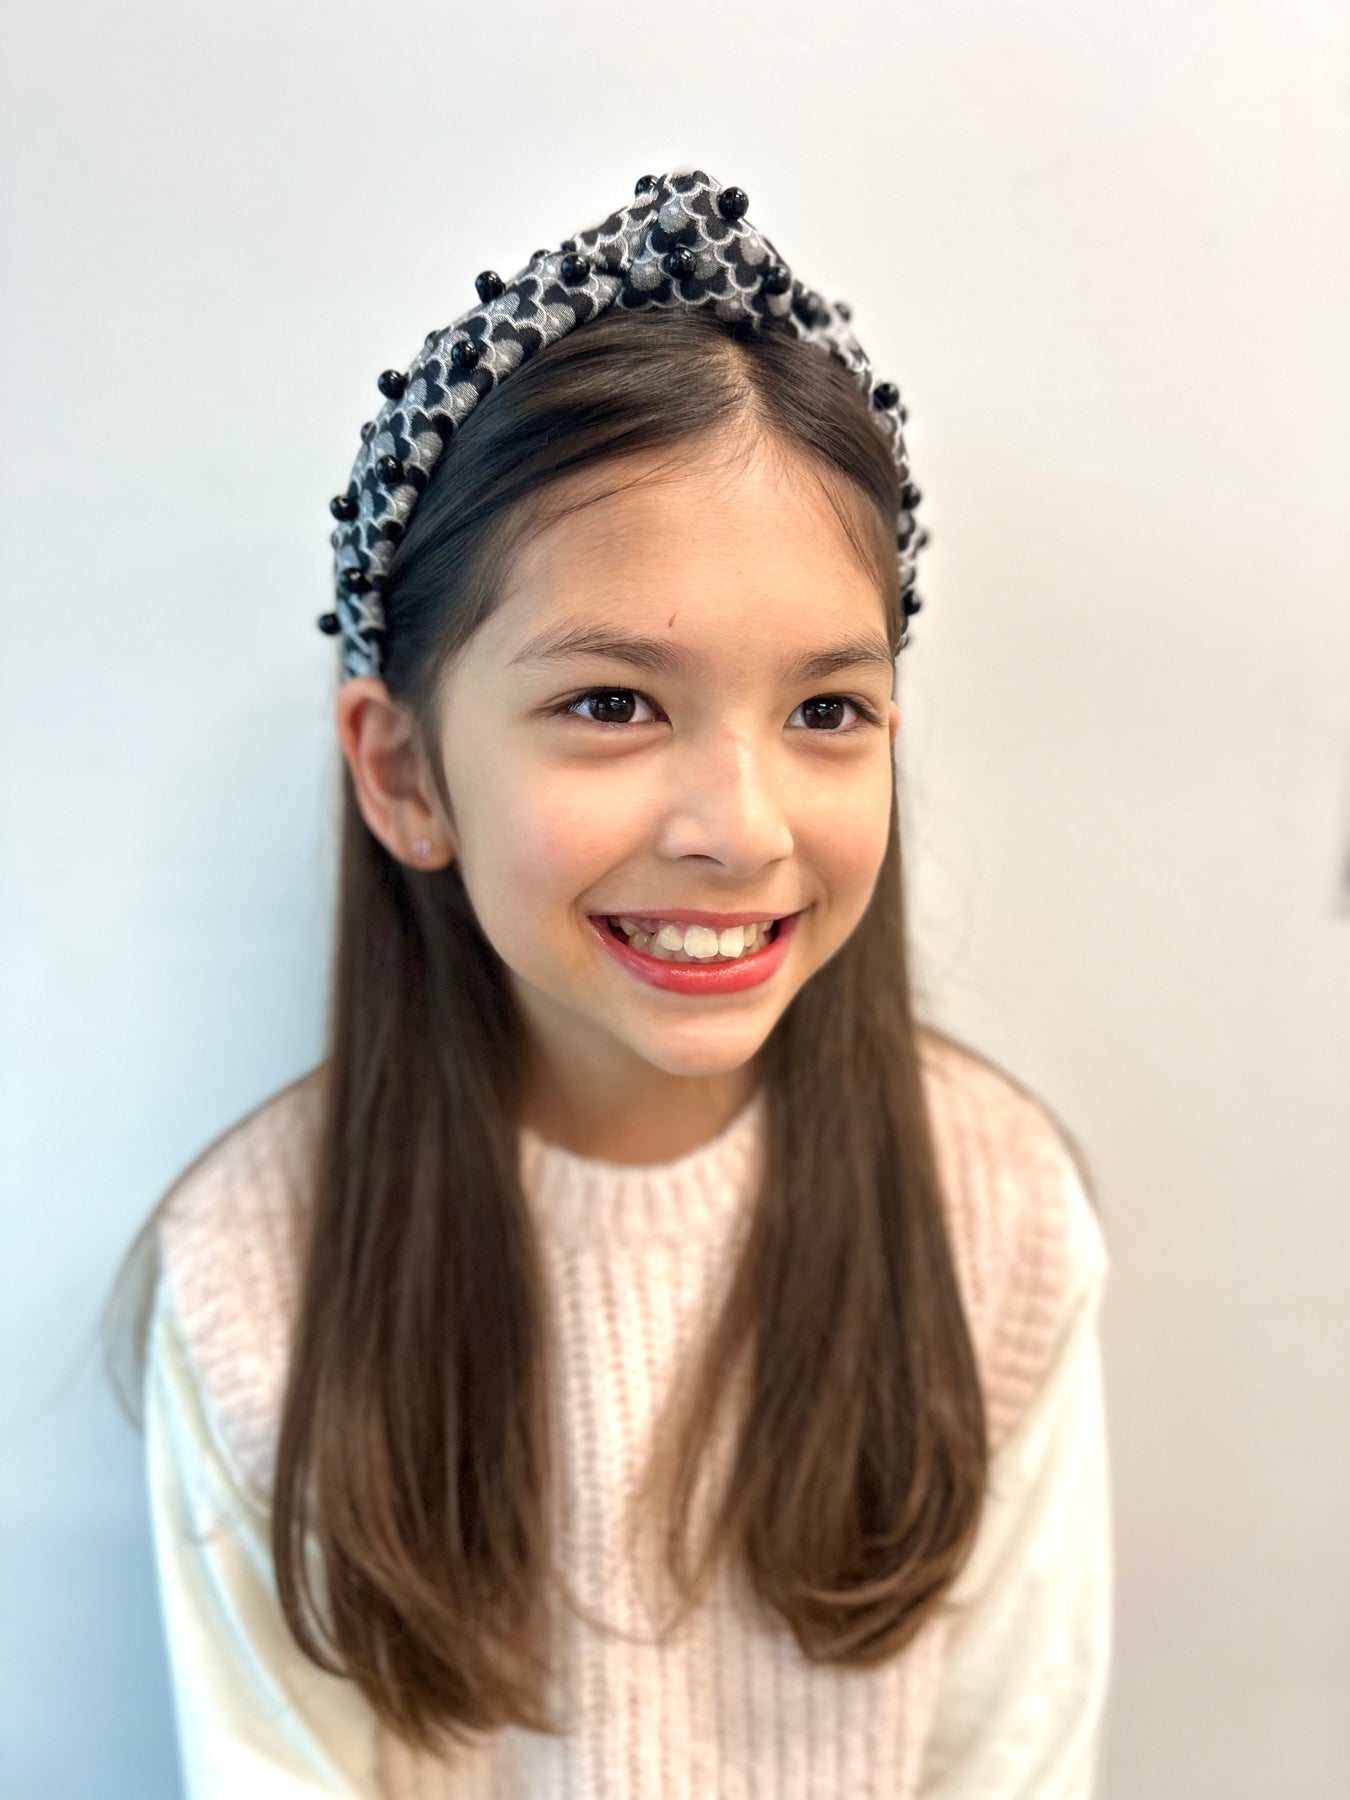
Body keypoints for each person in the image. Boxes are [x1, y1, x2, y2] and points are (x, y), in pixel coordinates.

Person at [105, 167, 1113, 1798]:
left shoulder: (992, 1216)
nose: (741, 827)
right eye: (612, 704)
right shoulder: (249, 1275)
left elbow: (1013, 1758)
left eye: (826, 711)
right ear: (405, 771)